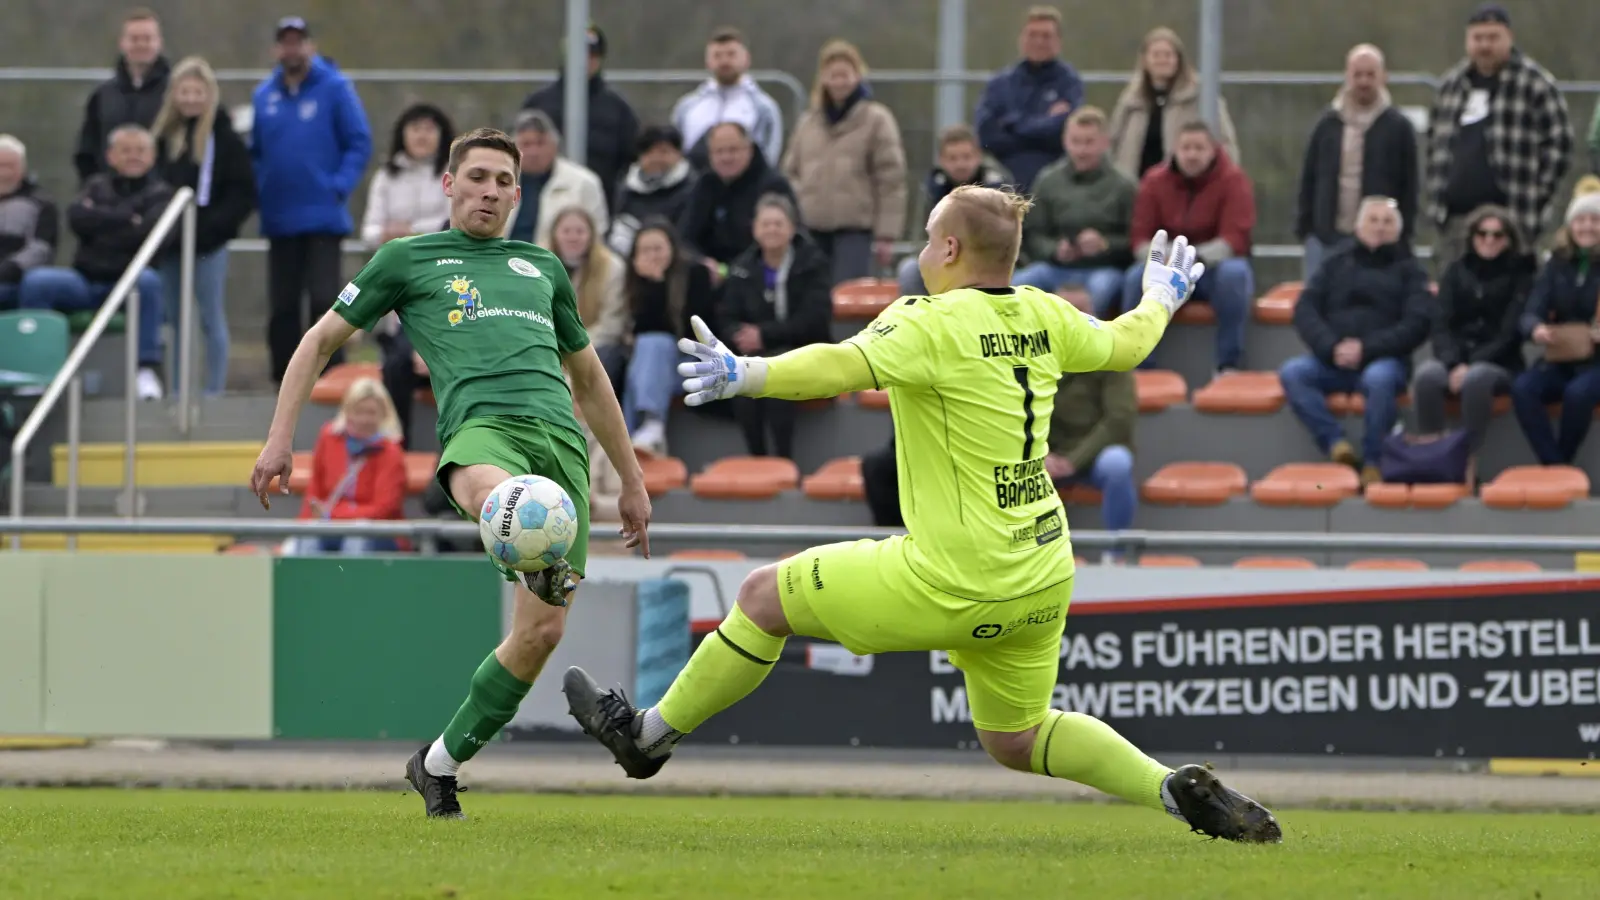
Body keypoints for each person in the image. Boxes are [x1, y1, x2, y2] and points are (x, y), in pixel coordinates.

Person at [561, 187, 1282, 844]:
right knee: (1018, 738)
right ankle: (1166, 787)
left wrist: (748, 373)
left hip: (952, 574)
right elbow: (1128, 343)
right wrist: (1162, 294)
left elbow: (839, 366)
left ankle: (646, 738)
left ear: (948, 249)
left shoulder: (928, 321)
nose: (919, 249)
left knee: (758, 598)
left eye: (928, 233)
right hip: (1040, 572)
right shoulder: (1044, 312)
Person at [248, 127, 652, 820]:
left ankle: (436, 765)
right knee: (505, 497)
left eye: (503, 182)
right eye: (478, 178)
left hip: (563, 448)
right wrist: (280, 438)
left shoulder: (542, 268)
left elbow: (588, 379)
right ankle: (520, 536)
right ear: (449, 185)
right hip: (483, 433)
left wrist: (633, 480)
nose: (489, 191)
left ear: (519, 196)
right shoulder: (407, 258)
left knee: (541, 636)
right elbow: (318, 341)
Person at [251, 16, 373, 384]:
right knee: (282, 308)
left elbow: (359, 141)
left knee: (326, 300)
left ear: (310, 46)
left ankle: (330, 378)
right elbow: (255, 151)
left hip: (323, 217)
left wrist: (337, 185)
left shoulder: (335, 88)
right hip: (279, 218)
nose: (292, 49)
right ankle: (282, 382)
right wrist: (262, 189)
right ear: (277, 49)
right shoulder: (263, 95)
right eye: (285, 42)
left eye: (298, 41)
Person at [1279, 197, 1431, 484]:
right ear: (1358, 226)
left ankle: (1373, 462)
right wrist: (1331, 346)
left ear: (1398, 231)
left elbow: (1417, 323)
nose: (1379, 228)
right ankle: (1336, 443)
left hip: (1384, 360)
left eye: (1387, 222)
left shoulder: (1411, 271)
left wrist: (1366, 349)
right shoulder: (1334, 263)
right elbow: (1305, 308)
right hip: (1332, 359)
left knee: (1379, 380)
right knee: (1293, 373)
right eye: (1373, 220)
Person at [18, 124, 171, 401]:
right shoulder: (94, 185)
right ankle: (38, 371)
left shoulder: (162, 194)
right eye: (125, 150)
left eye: (140, 150)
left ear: (152, 156)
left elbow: (151, 233)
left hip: (128, 285)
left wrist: (103, 222)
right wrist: (128, 220)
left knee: (149, 282)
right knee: (37, 282)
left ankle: (145, 369)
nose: (133, 156)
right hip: (85, 281)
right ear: (111, 156)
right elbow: (78, 218)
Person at [1424, 3, 1571, 269]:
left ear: (1509, 38)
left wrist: (1537, 196)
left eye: (1493, 38)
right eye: (1478, 38)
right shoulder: (1450, 86)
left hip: (1513, 218)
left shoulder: (1535, 84)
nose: (1484, 45)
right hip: (1455, 221)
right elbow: (1432, 144)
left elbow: (1560, 143)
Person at [150, 56, 257, 397]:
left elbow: (242, 192)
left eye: (198, 92)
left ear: (209, 94)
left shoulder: (224, 139)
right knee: (175, 320)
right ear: (174, 95)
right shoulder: (163, 137)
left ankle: (213, 391)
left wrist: (212, 229)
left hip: (209, 243)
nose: (192, 99)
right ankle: (179, 391)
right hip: (171, 244)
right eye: (185, 92)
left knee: (210, 316)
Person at [1121, 121, 1255, 374]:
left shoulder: (1234, 180)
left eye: (1199, 148)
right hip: (1165, 268)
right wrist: (1165, 257)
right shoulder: (1153, 181)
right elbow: (1139, 238)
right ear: (1175, 150)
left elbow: (1235, 238)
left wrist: (1190, 257)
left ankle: (1229, 364)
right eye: (1186, 148)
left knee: (1236, 274)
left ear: (1213, 150)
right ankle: (1138, 362)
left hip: (1211, 269)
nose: (1192, 154)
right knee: (1134, 278)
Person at [781, 39, 907, 284]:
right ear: (823, 79)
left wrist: (886, 234)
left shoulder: (877, 120)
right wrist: (801, 200)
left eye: (845, 75)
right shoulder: (808, 123)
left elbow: (890, 179)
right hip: (810, 229)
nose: (839, 82)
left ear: (858, 76)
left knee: (849, 297)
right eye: (833, 75)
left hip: (855, 230)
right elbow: (790, 171)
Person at [718, 194, 833, 459]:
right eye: (765, 223)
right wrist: (740, 335)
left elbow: (816, 319)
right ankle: (758, 459)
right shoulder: (741, 268)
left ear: (792, 228)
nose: (772, 229)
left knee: (776, 372)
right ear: (755, 229)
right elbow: (726, 317)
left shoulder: (812, 264)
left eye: (778, 223)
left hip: (804, 351)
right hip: (754, 355)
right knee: (745, 376)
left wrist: (765, 335)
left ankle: (783, 458)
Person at [1411, 204, 1532, 455]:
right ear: (1472, 237)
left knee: (1477, 379)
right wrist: (1454, 362)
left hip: (1500, 363)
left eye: (1497, 235)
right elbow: (1441, 324)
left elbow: (1509, 334)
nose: (1489, 240)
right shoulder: (1455, 272)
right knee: (1426, 376)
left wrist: (1472, 363)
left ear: (1509, 240)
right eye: (1482, 233)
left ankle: (1466, 459)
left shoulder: (1521, 276)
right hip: (1455, 359)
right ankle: (1431, 453)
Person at [1295, 44, 1418, 281]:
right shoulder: (1327, 124)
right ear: (1347, 76)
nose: (1363, 81)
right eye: (1357, 74)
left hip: (1381, 242)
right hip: (1327, 238)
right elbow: (1309, 177)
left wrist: (1402, 234)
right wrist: (1307, 229)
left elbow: (1410, 184)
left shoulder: (1398, 127)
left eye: (1370, 74)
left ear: (1384, 76)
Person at [1012, 106, 1136, 316]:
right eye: (1075, 142)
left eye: (1089, 143)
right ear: (1065, 141)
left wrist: (1105, 245)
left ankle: (1088, 347)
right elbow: (1031, 234)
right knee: (1017, 285)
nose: (1081, 150)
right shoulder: (1048, 180)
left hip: (1103, 269)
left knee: (1101, 291)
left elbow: (1135, 240)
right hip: (1054, 268)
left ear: (1104, 143)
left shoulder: (1124, 185)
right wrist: (1054, 249)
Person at [1510, 186, 1600, 466]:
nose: (1587, 226)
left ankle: (1560, 464)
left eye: (1595, 220)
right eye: (1580, 219)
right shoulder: (1556, 265)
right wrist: (1535, 328)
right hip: (1561, 356)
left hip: (1597, 361)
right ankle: (1556, 465)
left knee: (1578, 395)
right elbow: (1531, 310)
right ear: (1570, 225)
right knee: (1523, 388)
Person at [621, 218, 716, 453]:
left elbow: (690, 331)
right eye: (645, 250)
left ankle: (649, 424)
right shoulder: (633, 280)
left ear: (672, 249)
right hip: (652, 364)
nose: (653, 255)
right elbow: (640, 330)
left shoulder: (696, 274)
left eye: (658, 249)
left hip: (694, 360)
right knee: (642, 357)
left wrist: (657, 283)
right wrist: (649, 285)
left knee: (654, 344)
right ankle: (640, 439)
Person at [284, 376, 408, 557]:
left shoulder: (391, 452)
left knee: (357, 536)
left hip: (378, 530)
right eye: (359, 412)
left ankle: (349, 585)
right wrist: (305, 526)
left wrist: (332, 515)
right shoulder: (329, 438)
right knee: (309, 537)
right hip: (332, 524)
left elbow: (383, 509)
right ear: (347, 412)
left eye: (371, 413)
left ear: (383, 415)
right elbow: (314, 493)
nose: (364, 419)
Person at [520, 24, 639, 210]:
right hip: (541, 203)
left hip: (602, 202)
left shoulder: (618, 109)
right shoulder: (539, 103)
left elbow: (630, 159)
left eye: (592, 55)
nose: (584, 61)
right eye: (578, 53)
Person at [973, 7, 1085, 192]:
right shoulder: (1000, 84)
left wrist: (1012, 123)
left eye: (1046, 36)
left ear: (1059, 42)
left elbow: (1064, 133)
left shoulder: (1069, 83)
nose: (1039, 42)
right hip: (1003, 182)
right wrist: (1043, 125)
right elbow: (986, 135)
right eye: (1032, 35)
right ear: (1021, 39)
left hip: (1055, 188)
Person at [1107, 27, 1240, 182]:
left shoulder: (1200, 95)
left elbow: (1224, 141)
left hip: (1185, 189)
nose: (1162, 60)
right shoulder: (1131, 99)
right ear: (1145, 60)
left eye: (1168, 55)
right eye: (1156, 55)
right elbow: (1113, 141)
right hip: (1137, 189)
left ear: (1178, 59)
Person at [898, 125, 1011, 296]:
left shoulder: (998, 186)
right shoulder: (931, 189)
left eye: (966, 157)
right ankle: (928, 322)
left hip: (990, 263)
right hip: (944, 261)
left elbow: (1011, 238)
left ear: (978, 156)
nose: (960, 164)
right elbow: (919, 239)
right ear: (941, 160)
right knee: (909, 270)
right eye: (953, 158)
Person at [74, 7, 171, 185]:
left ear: (159, 43)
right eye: (134, 39)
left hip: (162, 198)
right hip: (109, 200)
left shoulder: (174, 94)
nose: (141, 44)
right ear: (122, 43)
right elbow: (87, 148)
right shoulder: (103, 95)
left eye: (147, 39)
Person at [671, 27, 784, 169]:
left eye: (731, 55)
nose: (724, 61)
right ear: (707, 61)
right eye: (717, 55)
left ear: (746, 59)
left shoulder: (763, 107)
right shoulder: (687, 107)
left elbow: (770, 154)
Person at [549, 206, 628, 392]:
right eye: (566, 231)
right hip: (550, 345)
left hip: (595, 345)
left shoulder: (612, 268)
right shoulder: (538, 265)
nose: (573, 237)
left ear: (591, 235)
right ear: (555, 235)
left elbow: (612, 325)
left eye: (580, 231)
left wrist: (573, 347)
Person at [502, 110, 608, 248]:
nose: (534, 152)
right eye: (526, 144)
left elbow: (597, 238)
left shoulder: (584, 183)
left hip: (558, 265)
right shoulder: (497, 180)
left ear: (555, 146)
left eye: (540, 143)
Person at [360, 103, 454, 248]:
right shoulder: (385, 175)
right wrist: (385, 234)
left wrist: (412, 231)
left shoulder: (452, 173)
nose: (422, 136)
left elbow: (453, 223)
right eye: (415, 129)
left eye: (429, 129)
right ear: (402, 134)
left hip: (439, 255)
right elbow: (369, 232)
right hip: (395, 258)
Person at [608, 125, 696, 258]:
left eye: (664, 152)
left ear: (679, 154)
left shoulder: (692, 189)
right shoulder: (626, 189)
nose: (656, 158)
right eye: (649, 152)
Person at [0, 136, 58, 311]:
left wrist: (7, 270)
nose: (4, 173)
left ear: (22, 168)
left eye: (10, 166)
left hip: (17, 280)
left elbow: (40, 249)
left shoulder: (41, 204)